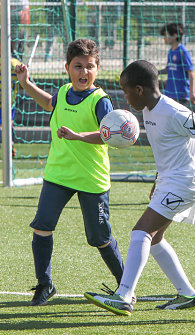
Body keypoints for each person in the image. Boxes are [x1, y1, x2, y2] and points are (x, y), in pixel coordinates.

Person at [83, 60, 195, 315]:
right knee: (154, 239)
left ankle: (124, 295)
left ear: (140, 89)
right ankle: (187, 294)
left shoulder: (174, 112)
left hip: (185, 182)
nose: (125, 96)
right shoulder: (146, 111)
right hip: (171, 180)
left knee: (140, 231)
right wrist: (158, 180)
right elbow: (166, 151)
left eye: (126, 90)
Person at [15, 39, 125, 306]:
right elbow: (50, 103)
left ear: (97, 69)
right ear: (67, 68)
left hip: (91, 177)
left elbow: (108, 136)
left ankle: (126, 285)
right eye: (78, 66)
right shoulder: (64, 91)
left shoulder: (101, 101)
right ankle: (45, 284)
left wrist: (78, 136)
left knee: (98, 237)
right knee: (42, 226)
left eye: (89, 66)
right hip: (58, 174)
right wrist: (26, 83)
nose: (83, 72)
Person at [159, 23, 195, 105]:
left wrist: (192, 92)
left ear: (175, 36)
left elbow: (191, 73)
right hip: (169, 94)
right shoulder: (171, 51)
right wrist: (154, 72)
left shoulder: (183, 51)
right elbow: (168, 69)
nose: (164, 38)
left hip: (181, 96)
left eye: (166, 35)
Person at [0, 41, 22, 157]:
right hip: (9, 101)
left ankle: (10, 146)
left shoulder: (12, 63)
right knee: (8, 124)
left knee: (8, 124)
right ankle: (10, 146)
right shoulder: (16, 63)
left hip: (7, 101)